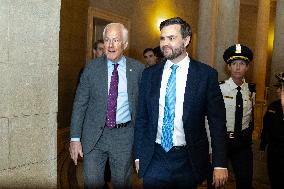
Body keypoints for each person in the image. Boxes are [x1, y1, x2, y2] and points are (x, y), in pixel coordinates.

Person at [134, 17, 228, 189]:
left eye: (171, 38)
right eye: (162, 38)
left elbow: (217, 123)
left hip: (188, 159)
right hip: (155, 158)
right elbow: (142, 118)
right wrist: (139, 155)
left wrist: (220, 163)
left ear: (186, 40)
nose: (165, 43)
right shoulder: (149, 75)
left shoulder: (206, 75)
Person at [69, 22, 144, 189]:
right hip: (94, 136)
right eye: (107, 40)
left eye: (115, 40)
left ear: (124, 44)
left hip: (124, 136)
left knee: (122, 183)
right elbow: (80, 104)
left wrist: (142, 144)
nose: (110, 45)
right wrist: (75, 138)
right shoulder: (91, 69)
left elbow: (143, 108)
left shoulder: (138, 70)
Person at [220, 44, 255, 189]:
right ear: (228, 67)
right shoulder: (219, 88)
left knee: (245, 181)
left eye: (242, 64)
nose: (238, 67)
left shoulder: (251, 90)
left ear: (247, 67)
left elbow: (251, 116)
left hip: (243, 143)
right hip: (222, 141)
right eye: (234, 64)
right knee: (217, 181)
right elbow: (209, 118)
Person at [260, 72, 284, 189]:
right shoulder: (273, 106)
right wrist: (262, 146)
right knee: (274, 179)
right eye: (279, 88)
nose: (278, 91)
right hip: (274, 150)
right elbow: (267, 127)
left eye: (281, 88)